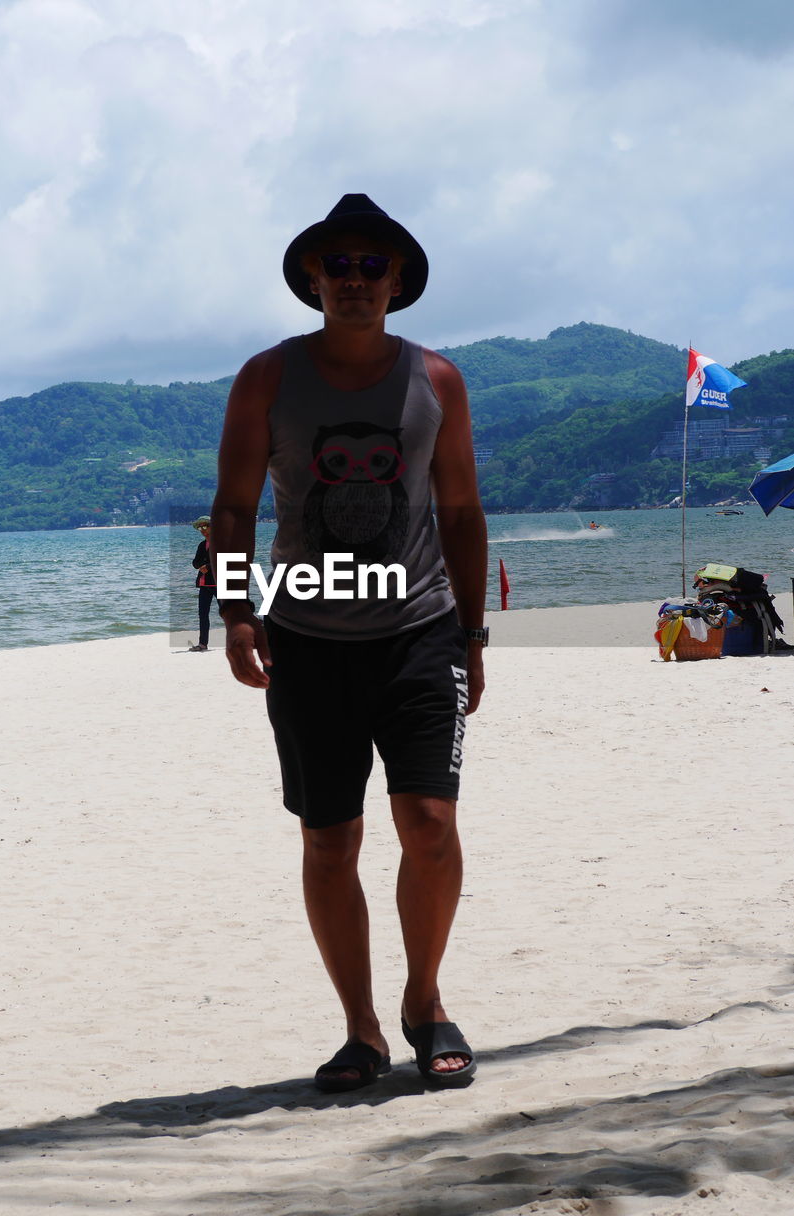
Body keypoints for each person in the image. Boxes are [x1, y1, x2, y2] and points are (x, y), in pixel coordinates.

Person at [210, 194, 488, 1092]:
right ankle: (361, 1029)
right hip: (307, 637)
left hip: (419, 633)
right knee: (330, 841)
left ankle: (425, 1001)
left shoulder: (435, 379)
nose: (355, 280)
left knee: (430, 825)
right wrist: (236, 615)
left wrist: (473, 635)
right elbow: (231, 509)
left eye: (373, 266)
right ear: (311, 281)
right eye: (339, 266)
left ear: (397, 281)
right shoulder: (266, 377)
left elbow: (460, 511)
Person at [189, 516, 215, 651]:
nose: (202, 530)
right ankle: (203, 644)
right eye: (200, 528)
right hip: (204, 585)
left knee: (229, 614)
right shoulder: (201, 545)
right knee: (203, 614)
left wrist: (208, 567)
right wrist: (201, 566)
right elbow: (195, 562)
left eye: (205, 527)